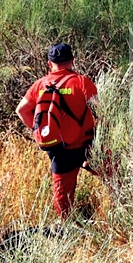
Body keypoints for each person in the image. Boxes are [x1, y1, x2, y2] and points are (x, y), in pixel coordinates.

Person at [16, 43, 97, 218]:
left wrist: (38, 130)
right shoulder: (82, 82)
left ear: (49, 63)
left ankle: (68, 228)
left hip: (58, 147)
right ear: (72, 61)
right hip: (86, 144)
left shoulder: (40, 85)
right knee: (114, 178)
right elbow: (102, 110)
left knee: (62, 195)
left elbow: (21, 110)